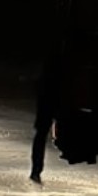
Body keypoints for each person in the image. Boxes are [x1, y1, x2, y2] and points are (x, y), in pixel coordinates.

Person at [30, 47, 62, 184]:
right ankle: (36, 171)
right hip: (51, 96)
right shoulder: (56, 59)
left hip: (49, 95)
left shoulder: (53, 58)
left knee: (41, 134)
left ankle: (36, 171)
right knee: (41, 134)